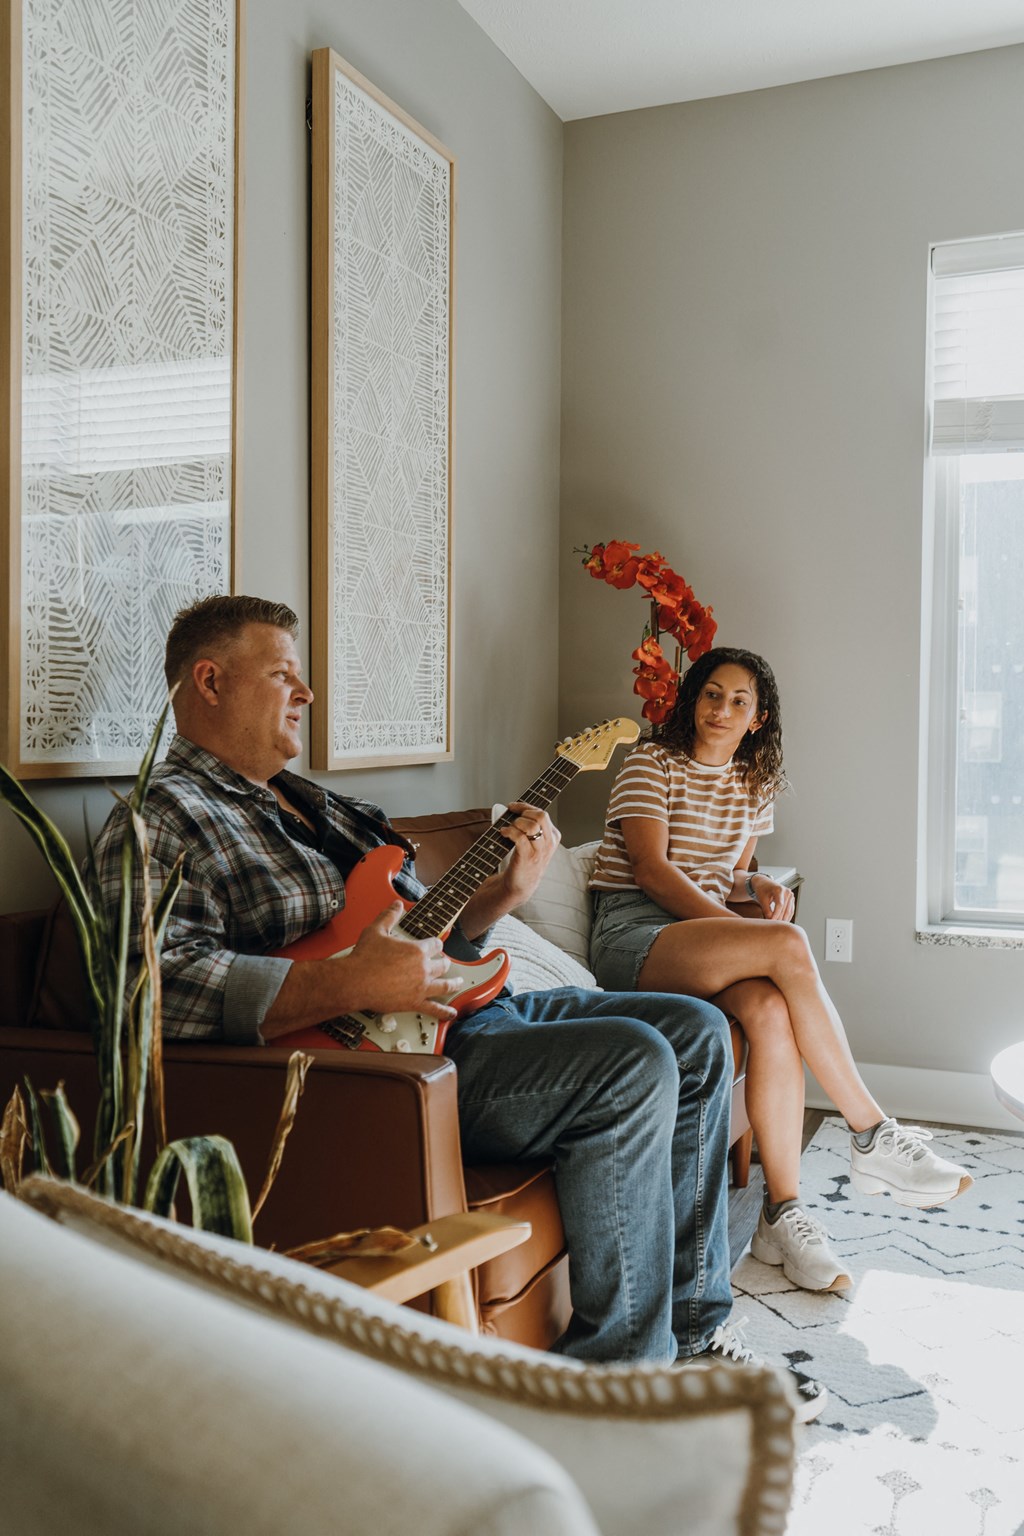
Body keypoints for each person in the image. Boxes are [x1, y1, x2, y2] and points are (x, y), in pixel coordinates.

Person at [90, 596, 826, 1420]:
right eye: (283, 675)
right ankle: (615, 1386)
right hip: (376, 1072)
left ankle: (690, 1331)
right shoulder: (159, 820)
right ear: (211, 680)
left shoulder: (314, 805)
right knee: (635, 1061)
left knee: (692, 1032)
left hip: (470, 1016)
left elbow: (424, 939)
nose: (305, 694)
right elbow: (150, 986)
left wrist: (498, 899)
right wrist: (349, 985)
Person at [589, 645, 973, 1296]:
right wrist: (752, 928)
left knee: (770, 1009)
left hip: (695, 930)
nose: (722, 708)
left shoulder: (753, 784)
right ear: (693, 700)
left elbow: (727, 875)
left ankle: (782, 1214)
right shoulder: (649, 762)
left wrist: (755, 889)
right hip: (634, 930)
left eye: (740, 700)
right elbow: (653, 871)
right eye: (712, 694)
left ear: (758, 718)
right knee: (787, 946)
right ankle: (872, 1133)